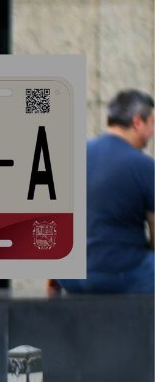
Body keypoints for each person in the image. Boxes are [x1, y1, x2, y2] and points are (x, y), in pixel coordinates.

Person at [58, 89, 155, 294]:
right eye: (152, 123)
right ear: (138, 122)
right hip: (121, 274)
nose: (153, 131)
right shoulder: (144, 166)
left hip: (71, 276)